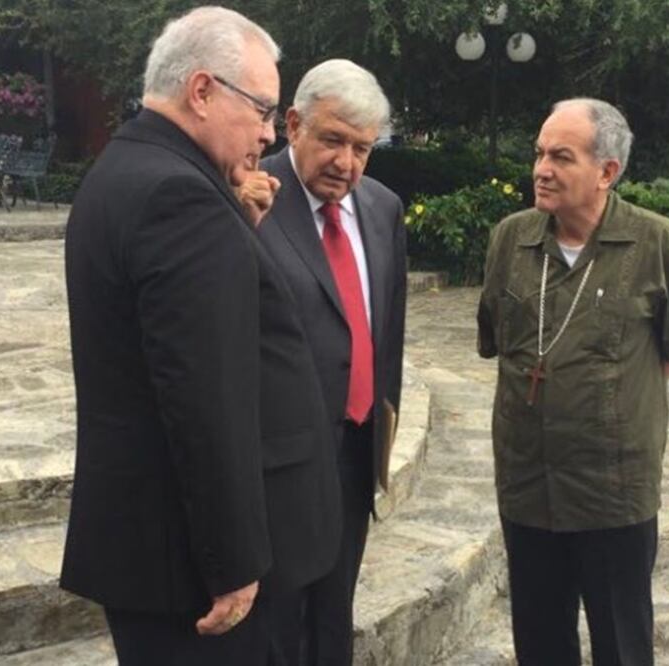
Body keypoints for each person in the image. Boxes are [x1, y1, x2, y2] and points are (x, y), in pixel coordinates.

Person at [61, 7, 340, 664]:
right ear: (203, 90)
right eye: (264, 110)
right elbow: (203, 394)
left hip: (155, 541)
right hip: (198, 572)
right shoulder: (179, 198)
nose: (270, 135)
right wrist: (234, 562)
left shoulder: (127, 170)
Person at [476, 98, 669, 666]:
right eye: (538, 154)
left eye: (561, 156)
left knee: (621, 642)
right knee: (540, 640)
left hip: (613, 492)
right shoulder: (512, 237)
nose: (541, 169)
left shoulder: (655, 242)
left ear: (607, 172)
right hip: (528, 482)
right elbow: (496, 339)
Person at [256, 59, 407, 665]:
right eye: (333, 140)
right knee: (278, 627)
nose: (346, 163)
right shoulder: (248, 199)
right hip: (276, 465)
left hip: (353, 450)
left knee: (332, 616)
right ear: (293, 125)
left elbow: (388, 331)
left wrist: (381, 432)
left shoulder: (383, 208)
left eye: (362, 148)